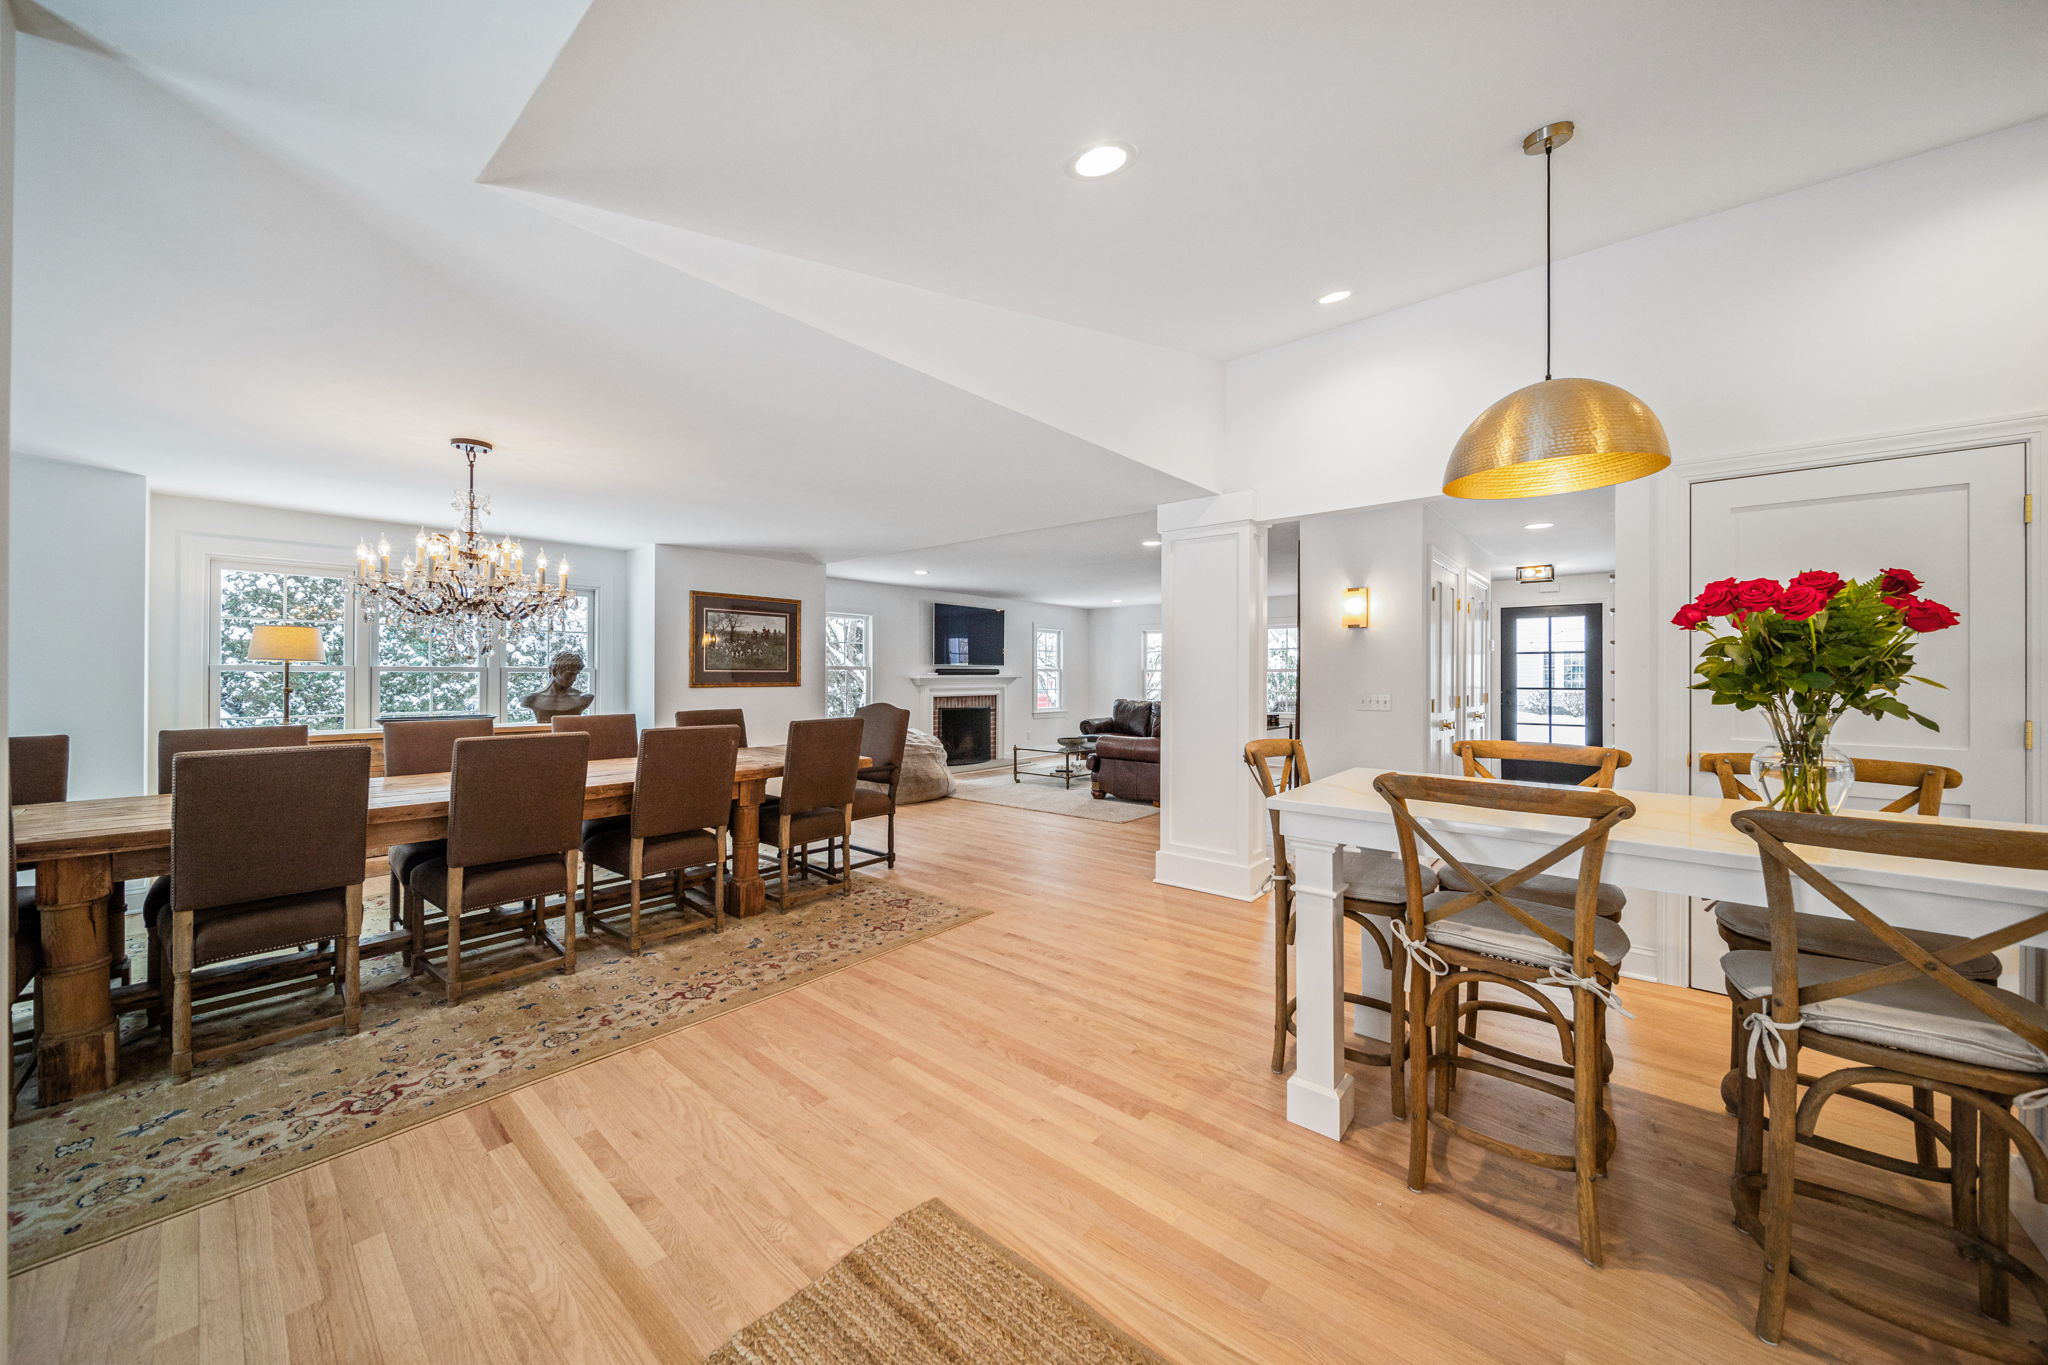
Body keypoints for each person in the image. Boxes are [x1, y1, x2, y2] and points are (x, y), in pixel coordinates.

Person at [520, 649, 593, 723]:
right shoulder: (532, 699)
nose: (574, 679)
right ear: (554, 671)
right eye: (570, 674)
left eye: (576, 674)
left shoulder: (583, 698)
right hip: (544, 734)